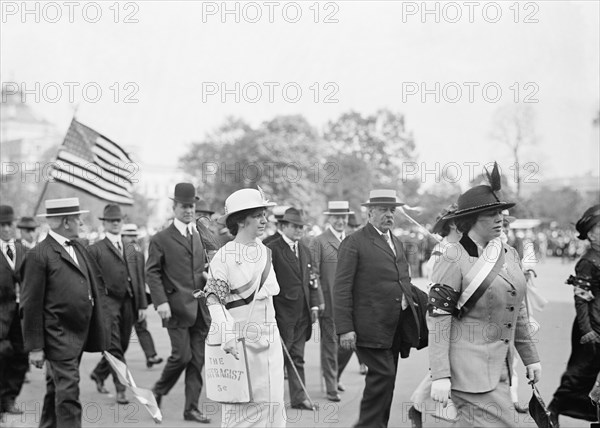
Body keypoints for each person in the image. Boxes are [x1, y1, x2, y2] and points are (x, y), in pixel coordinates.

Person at [427, 164, 541, 427]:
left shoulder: (509, 254)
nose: (500, 218)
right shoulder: (453, 257)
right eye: (491, 213)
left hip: (500, 368)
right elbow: (439, 319)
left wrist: (530, 357)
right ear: (471, 220)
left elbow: (518, 310)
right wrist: (440, 375)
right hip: (468, 373)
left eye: (501, 211)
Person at [334, 189, 427, 428]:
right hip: (369, 327)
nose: (389, 215)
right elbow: (341, 288)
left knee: (387, 382)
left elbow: (403, 280)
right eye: (383, 210)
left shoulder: (395, 241)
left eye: (392, 210)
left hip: (394, 325)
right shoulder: (354, 242)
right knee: (382, 377)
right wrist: (345, 328)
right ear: (370, 212)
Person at [20, 198, 108, 428]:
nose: (82, 221)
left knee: (56, 389)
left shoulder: (79, 246)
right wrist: (36, 347)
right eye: (78, 217)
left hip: (79, 333)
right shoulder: (39, 255)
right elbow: (30, 304)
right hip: (57, 336)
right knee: (68, 394)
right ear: (67, 222)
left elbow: (93, 285)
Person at [203, 187, 286, 427]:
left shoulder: (265, 251)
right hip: (240, 345)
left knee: (274, 407)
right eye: (258, 214)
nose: (264, 220)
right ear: (240, 220)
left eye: (264, 214)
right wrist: (227, 335)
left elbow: (269, 299)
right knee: (243, 411)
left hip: (270, 343)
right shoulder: (224, 256)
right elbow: (213, 300)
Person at [147, 183, 211, 423]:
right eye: (184, 206)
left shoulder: (197, 235)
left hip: (199, 308)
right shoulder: (160, 239)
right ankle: (157, 391)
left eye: (192, 206)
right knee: (181, 357)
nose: (189, 210)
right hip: (174, 308)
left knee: (197, 360)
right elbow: (152, 273)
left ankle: (191, 408)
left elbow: (200, 269)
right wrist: (160, 301)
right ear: (174, 207)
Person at [88, 205, 148, 404]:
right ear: (104, 223)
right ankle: (121, 389)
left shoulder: (133, 250)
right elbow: (92, 281)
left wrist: (141, 305)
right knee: (114, 347)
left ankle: (98, 373)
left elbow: (138, 279)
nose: (115, 223)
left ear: (122, 222)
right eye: (111, 220)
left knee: (121, 345)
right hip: (107, 304)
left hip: (128, 303)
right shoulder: (95, 249)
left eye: (118, 220)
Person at [409, 203, 461, 427]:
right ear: (452, 225)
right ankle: (422, 404)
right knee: (445, 362)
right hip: (441, 311)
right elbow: (437, 285)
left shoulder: (456, 249)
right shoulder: (442, 252)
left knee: (451, 362)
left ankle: (425, 405)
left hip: (452, 311)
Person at [267, 207, 324, 411]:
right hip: (281, 314)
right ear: (283, 226)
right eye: (295, 226)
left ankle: (299, 398)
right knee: (277, 359)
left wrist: (315, 303)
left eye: (301, 226)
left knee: (298, 357)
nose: (299, 229)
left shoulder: (305, 249)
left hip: (303, 313)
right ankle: (270, 401)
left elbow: (312, 280)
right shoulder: (271, 248)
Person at [549, 204, 600, 425]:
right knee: (581, 373)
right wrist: (587, 330)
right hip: (590, 325)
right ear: (591, 234)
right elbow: (581, 300)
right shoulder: (588, 261)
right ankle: (552, 410)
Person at [309, 201, 354, 402]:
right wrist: (318, 300)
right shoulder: (319, 241)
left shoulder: (352, 240)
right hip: (329, 302)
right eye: (336, 217)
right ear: (329, 218)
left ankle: (335, 377)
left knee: (350, 344)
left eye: (343, 217)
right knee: (329, 344)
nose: (340, 221)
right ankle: (330, 387)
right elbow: (313, 273)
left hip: (350, 303)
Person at [122, 224, 163, 369]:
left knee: (141, 326)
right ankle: (100, 372)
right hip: (121, 303)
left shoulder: (138, 254)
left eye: (134, 236)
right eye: (129, 236)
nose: (133, 239)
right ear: (122, 237)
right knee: (121, 341)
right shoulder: (117, 253)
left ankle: (151, 355)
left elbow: (140, 279)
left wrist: (142, 304)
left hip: (136, 299)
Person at [0, 205, 28, 416]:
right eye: (2, 225)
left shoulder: (23, 250)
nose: (7, 229)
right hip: (0, 315)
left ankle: (9, 398)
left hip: (21, 316)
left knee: (20, 358)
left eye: (10, 224)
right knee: (2, 356)